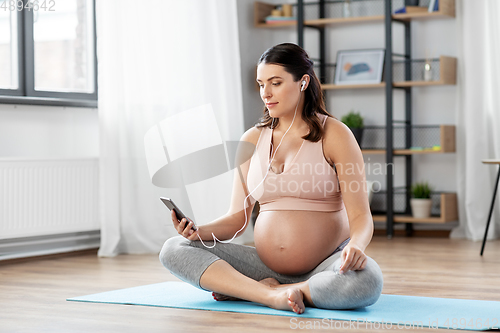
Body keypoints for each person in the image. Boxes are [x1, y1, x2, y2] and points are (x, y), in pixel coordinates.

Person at [159, 43, 383, 314]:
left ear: (303, 82)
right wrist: (198, 232)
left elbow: (360, 217)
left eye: (275, 83)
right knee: (175, 248)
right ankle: (269, 294)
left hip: (326, 265)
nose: (266, 93)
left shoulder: (335, 134)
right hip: (262, 265)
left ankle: (265, 290)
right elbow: (237, 220)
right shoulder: (251, 139)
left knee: (368, 280)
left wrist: (357, 246)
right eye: (261, 84)